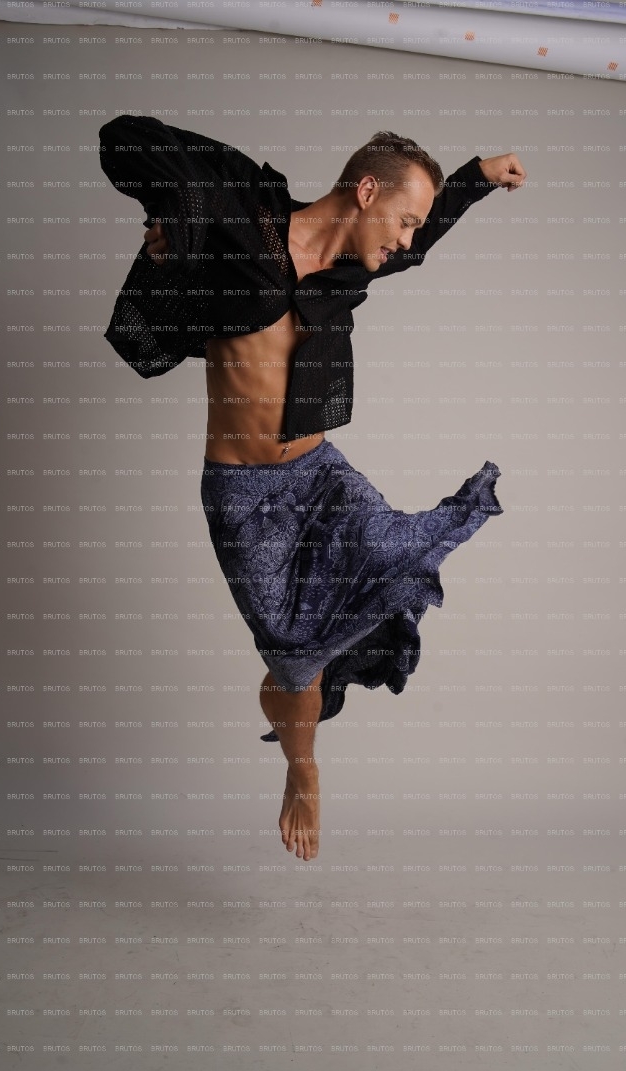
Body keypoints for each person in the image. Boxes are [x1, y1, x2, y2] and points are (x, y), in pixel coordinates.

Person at [99, 117, 526, 861]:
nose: (406, 239)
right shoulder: (241, 228)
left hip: (321, 476)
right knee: (293, 664)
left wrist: (477, 177)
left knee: (397, 559)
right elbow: (124, 137)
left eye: (413, 227)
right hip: (243, 495)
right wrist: (175, 220)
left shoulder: (349, 271)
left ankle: (317, 710)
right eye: (403, 219)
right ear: (366, 191)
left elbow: (422, 240)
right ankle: (302, 768)